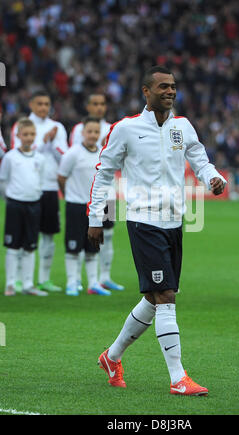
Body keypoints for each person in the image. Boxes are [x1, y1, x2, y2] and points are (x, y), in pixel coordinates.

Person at [87, 66, 227, 396]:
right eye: (162, 86)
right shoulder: (125, 129)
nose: (170, 91)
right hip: (143, 221)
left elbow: (200, 158)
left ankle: (112, 356)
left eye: (173, 86)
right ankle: (178, 378)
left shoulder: (182, 127)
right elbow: (104, 173)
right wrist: (96, 218)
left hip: (175, 222)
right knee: (166, 297)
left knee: (152, 298)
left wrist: (212, 178)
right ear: (145, 92)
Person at [10, 91, 68, 293]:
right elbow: (18, 152)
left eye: (47, 103)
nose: (44, 107)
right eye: (40, 103)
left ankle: (44, 279)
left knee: (48, 236)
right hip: (27, 189)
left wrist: (51, 143)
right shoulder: (22, 125)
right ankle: (17, 280)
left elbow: (64, 158)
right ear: (31, 104)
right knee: (24, 236)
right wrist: (44, 141)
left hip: (50, 187)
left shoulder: (58, 127)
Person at [69, 93, 124, 292]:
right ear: (88, 106)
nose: (99, 107)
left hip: (108, 194)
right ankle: (78, 279)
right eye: (95, 104)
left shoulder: (114, 128)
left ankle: (105, 277)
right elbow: (77, 156)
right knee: (87, 234)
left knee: (107, 234)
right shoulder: (79, 130)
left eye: (102, 104)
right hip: (89, 194)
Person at [58, 117, 111, 296]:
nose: (93, 135)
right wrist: (69, 196)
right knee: (73, 247)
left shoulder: (103, 154)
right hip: (76, 205)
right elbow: (61, 177)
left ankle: (93, 283)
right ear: (82, 132)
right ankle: (72, 282)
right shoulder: (73, 153)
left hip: (95, 208)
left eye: (96, 132)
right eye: (90, 131)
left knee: (93, 247)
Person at [0, 118, 48, 296]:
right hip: (15, 204)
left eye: (32, 134)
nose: (29, 138)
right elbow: (3, 181)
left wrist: (34, 195)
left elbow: (40, 180)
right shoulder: (10, 157)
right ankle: (11, 283)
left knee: (30, 245)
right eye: (25, 134)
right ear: (18, 135)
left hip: (34, 204)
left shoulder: (40, 158)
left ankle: (28, 284)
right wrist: (11, 198)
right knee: (13, 246)